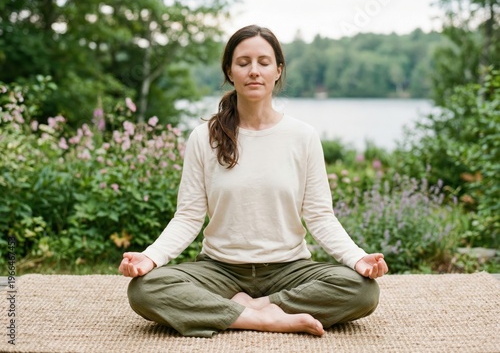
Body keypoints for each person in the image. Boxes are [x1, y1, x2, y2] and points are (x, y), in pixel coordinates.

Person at [119, 24, 388, 338]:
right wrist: (150, 257)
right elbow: (188, 216)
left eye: (263, 62)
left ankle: (247, 307)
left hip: (289, 268)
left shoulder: (302, 136)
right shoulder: (204, 137)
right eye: (243, 63)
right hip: (219, 269)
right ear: (230, 72)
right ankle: (267, 318)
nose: (254, 71)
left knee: (362, 291)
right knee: (145, 289)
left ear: (278, 70)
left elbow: (319, 215)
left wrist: (357, 258)